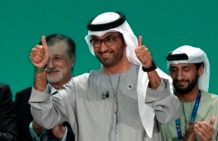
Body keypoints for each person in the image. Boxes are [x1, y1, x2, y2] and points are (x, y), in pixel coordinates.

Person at [29, 11, 180, 141]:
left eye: (109, 39)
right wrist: (40, 70)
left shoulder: (148, 79)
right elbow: (44, 117)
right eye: (96, 41)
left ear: (125, 40)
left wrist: (149, 68)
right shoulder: (78, 87)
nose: (102, 48)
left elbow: (168, 115)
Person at [160, 45, 218, 141]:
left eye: (186, 69)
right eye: (174, 70)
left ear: (200, 70)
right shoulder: (160, 107)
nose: (179, 77)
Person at [15, 34, 75, 141]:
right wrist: (34, 130)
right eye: (45, 59)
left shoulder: (89, 94)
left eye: (57, 58)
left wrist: (64, 134)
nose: (50, 65)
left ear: (72, 60)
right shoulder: (23, 98)